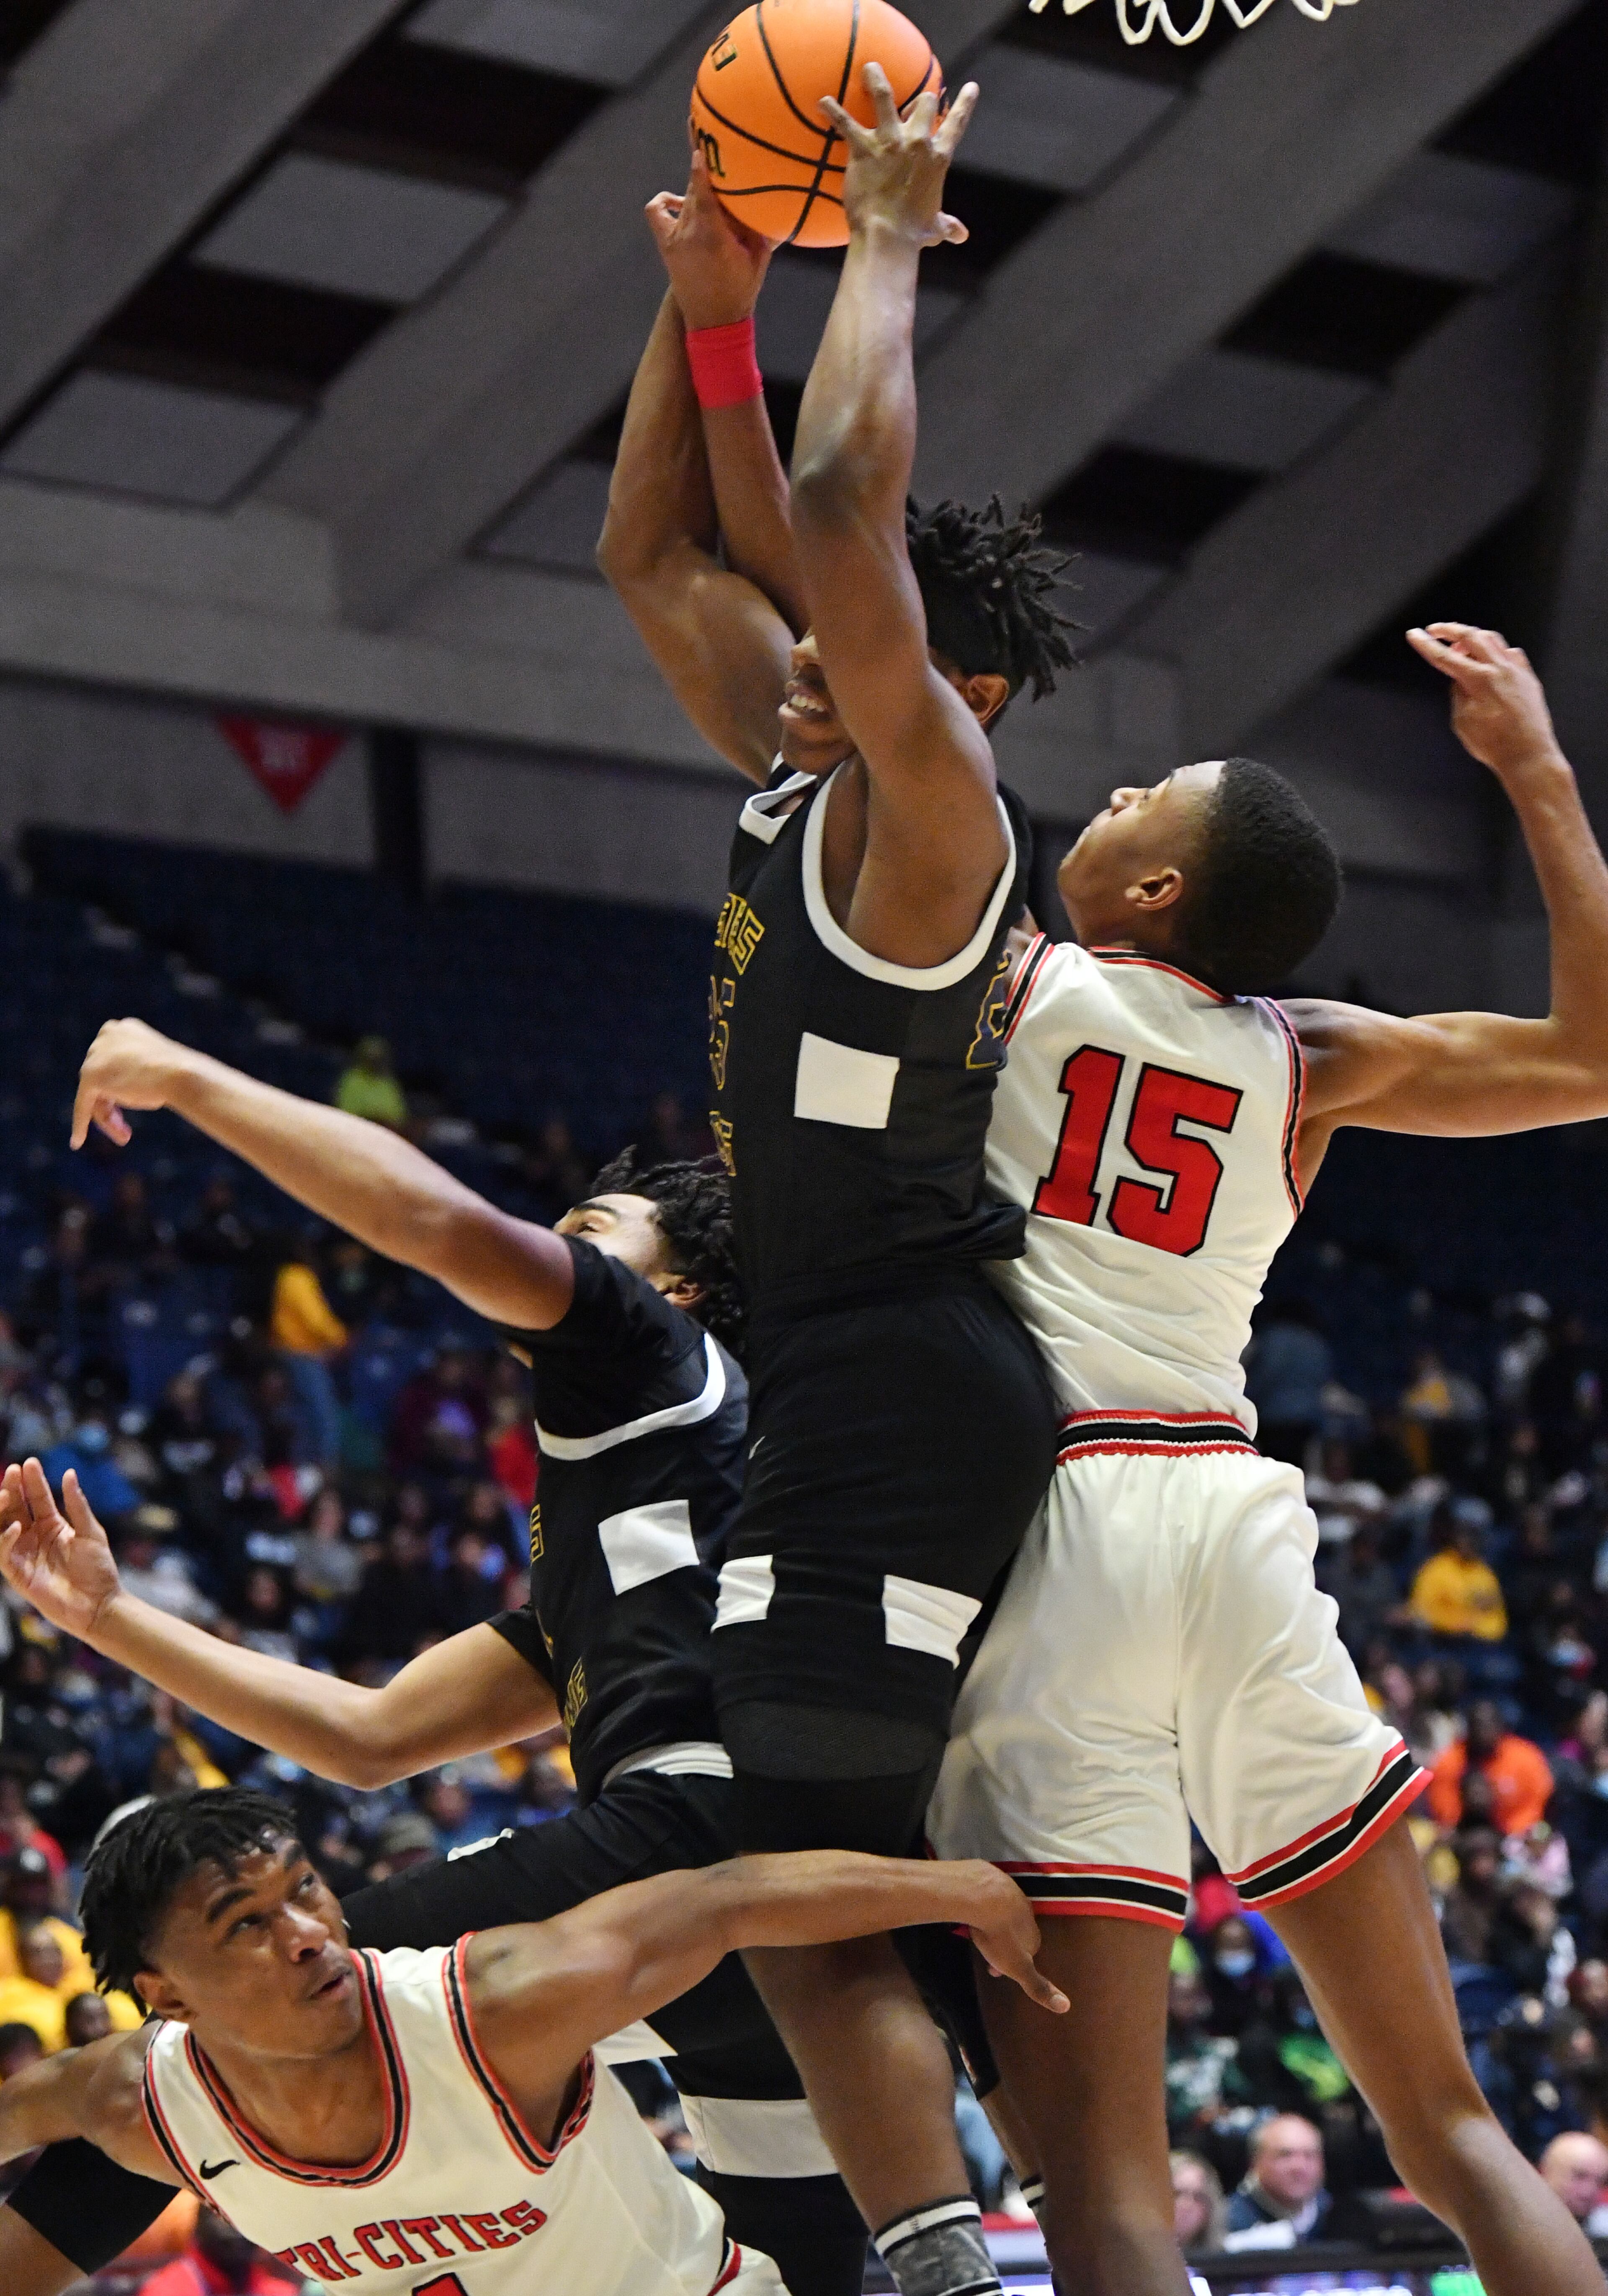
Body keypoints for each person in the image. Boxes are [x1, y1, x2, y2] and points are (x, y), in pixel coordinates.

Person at [2, 1025, 937, 2296]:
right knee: (813, 2280)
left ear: (679, 1292)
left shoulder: (647, 1358)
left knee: (254, 2015)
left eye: (592, 1232)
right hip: (760, 1933)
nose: (560, 1248)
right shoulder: (670, 1508)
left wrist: (190, 1078)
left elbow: (436, 1223)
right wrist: (109, 1622)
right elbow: (368, 1740)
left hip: (696, 1832)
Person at [926, 630, 1608, 2293]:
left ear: (1155, 886)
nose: (1109, 790)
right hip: (1230, 1514)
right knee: (1448, 2121)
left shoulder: (1004, 972)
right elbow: (1595, 1057)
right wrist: (1534, 763)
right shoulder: (1307, 1055)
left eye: (1144, 793)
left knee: (1107, 2201)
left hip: (1058, 1517)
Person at [598, 80, 1067, 2296]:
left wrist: (878, 243)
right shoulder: (808, 761)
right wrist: (707, 316)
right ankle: (1019, 2219)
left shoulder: (929, 826)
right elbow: (663, 556)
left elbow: (849, 512)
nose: (792, 632)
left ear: (945, 692)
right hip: (854, 1379)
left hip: (899, 1380)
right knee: (837, 1842)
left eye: (849, 626)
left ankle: (942, 2254)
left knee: (794, 1841)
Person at [0, 1788, 1057, 2296]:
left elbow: (722, 1899)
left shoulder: (488, 2012)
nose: (309, 1935)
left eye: (307, 1889)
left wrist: (954, 1889)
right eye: (248, 1922)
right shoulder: (139, 2098)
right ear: (164, 1994)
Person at [1427, 1701, 1553, 1837]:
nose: (1483, 1732)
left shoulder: (1526, 1757)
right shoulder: (1449, 1762)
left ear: (1501, 1727)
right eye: (1478, 1726)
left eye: (1489, 1726)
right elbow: (1446, 1815)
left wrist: (1513, 1832)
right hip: (1464, 1836)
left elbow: (1538, 1801)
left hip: (1517, 1836)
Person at [1222, 2115, 1332, 2249]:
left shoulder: (1336, 2214)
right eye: (1285, 2155)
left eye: (1310, 2155)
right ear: (1255, 2162)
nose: (1299, 2167)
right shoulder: (1226, 2221)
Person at [139, 2205, 299, 2296]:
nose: (236, 2231)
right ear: (197, 2227)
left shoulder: (282, 2293)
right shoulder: (166, 2292)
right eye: (221, 2218)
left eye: (244, 2221)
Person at [1409, 1516, 1508, 1643]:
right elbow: (1421, 1611)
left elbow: (1496, 1613)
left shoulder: (1484, 1572)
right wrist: (1453, 1623)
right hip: (1444, 1641)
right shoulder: (1437, 1569)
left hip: (1484, 1644)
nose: (1470, 1544)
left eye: (1474, 1540)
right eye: (1465, 1539)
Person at [1539, 2131, 1608, 2235]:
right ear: (1547, 2172)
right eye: (1579, 2176)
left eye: (1600, 2182)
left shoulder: (1603, 2233)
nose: (1588, 2192)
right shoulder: (1516, 2225)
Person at [334, 1037, 407, 1130]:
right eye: (372, 1057)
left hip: (387, 1132)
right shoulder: (352, 1080)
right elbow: (345, 1113)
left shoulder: (389, 1083)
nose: (375, 1062)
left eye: (379, 1058)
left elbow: (399, 1118)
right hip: (358, 1130)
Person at [1168, 2151, 1225, 2253]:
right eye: (1177, 2194)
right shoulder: (1136, 2259)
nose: (1187, 2205)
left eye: (1199, 2197)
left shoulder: (1221, 2262)